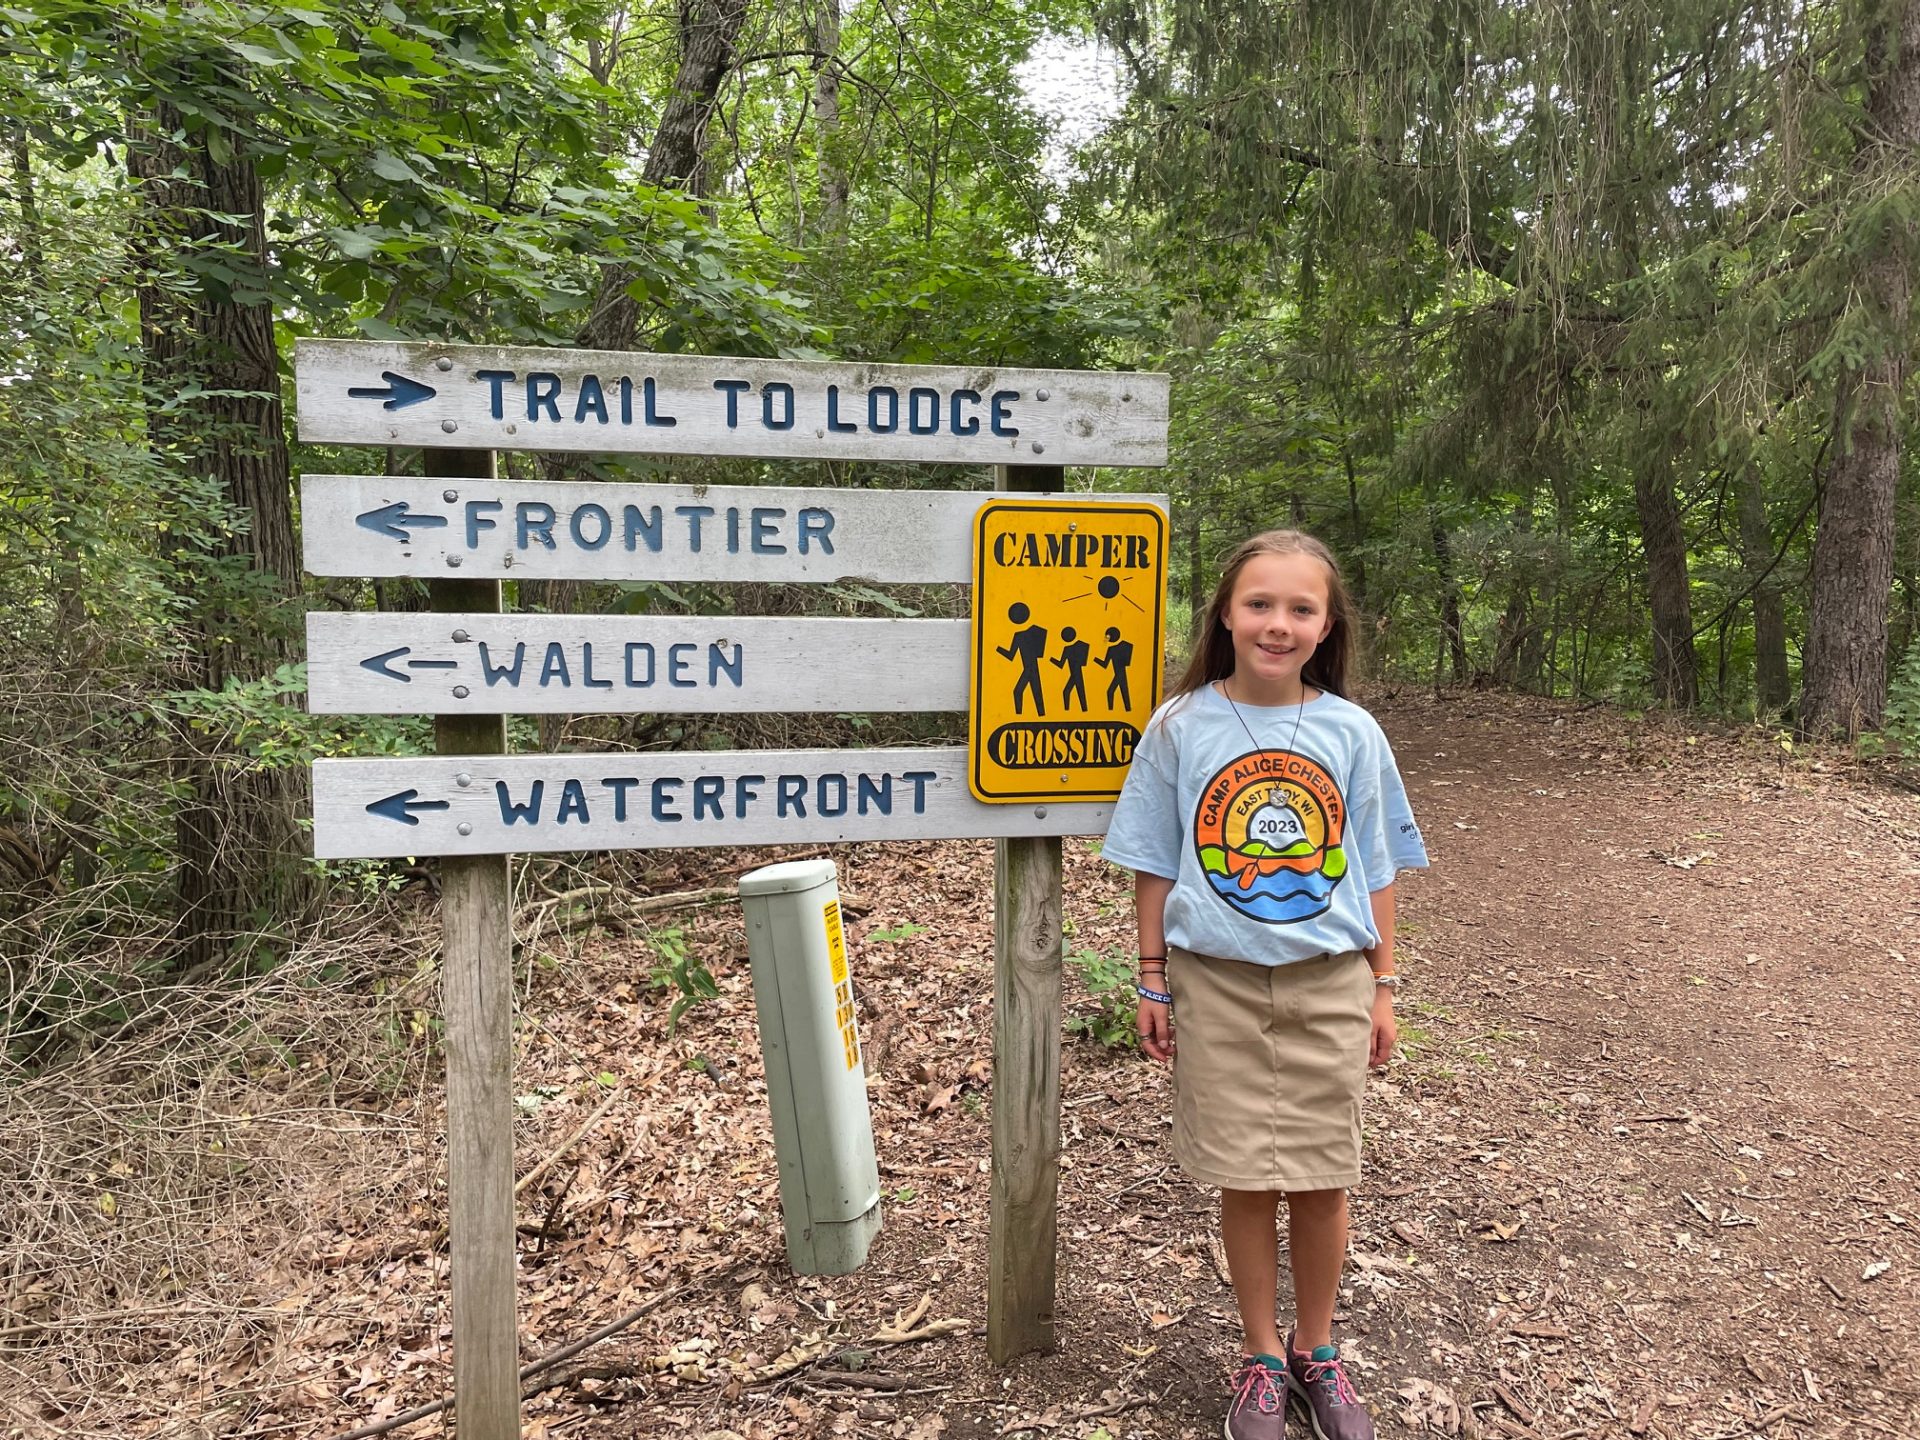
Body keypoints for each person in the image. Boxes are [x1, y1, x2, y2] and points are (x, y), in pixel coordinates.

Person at [1101, 529, 1428, 1440]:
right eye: (1259, 604)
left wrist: (1384, 985)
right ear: (1226, 615)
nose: (1276, 624)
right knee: (1244, 1178)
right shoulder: (1179, 726)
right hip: (1216, 981)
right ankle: (1258, 1354)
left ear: (1327, 627)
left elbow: (1375, 866)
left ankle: (1317, 1354)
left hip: (1328, 979)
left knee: (1323, 1179)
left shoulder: (1351, 732)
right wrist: (1152, 979)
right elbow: (1155, 864)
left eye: (1299, 609)